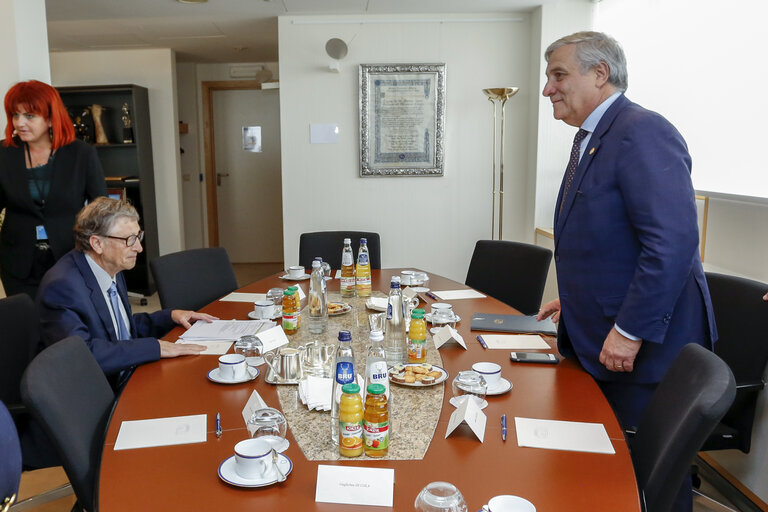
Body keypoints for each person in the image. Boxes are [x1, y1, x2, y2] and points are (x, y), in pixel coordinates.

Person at [536, 32, 716, 511]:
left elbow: (672, 243)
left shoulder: (641, 130)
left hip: (645, 351)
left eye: (558, 74)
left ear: (600, 74)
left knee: (650, 473)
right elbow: (611, 241)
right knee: (606, 466)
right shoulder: (595, 139)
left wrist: (629, 329)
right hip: (603, 334)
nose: (547, 88)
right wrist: (573, 300)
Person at [37, 197, 213, 382]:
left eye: (138, 236)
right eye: (129, 240)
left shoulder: (111, 265)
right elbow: (82, 356)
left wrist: (169, 317)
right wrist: (155, 348)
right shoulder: (62, 287)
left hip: (127, 371)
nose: (139, 247)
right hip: (97, 393)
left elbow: (117, 329)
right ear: (97, 244)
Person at [0, 80, 107, 299]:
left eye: (29, 116)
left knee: (66, 322)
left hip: (70, 255)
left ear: (50, 118)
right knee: (27, 325)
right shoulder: (4, 153)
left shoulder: (81, 154)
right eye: (15, 115)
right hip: (17, 260)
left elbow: (101, 209)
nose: (20, 123)